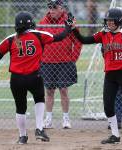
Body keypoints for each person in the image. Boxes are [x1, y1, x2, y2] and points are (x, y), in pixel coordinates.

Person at [0, 11, 73, 144]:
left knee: (20, 107)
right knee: (39, 99)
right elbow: (59, 37)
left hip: (16, 79)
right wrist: (68, 27)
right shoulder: (38, 35)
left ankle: (22, 136)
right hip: (34, 76)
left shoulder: (10, 39)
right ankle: (39, 128)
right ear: (31, 23)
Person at [72, 8, 122, 145]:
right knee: (108, 107)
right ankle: (115, 136)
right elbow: (84, 40)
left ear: (119, 21)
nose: (109, 23)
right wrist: (75, 29)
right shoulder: (103, 34)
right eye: (108, 21)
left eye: (112, 21)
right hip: (110, 75)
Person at [38, 0, 82, 129]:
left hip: (65, 62)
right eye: (50, 8)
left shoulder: (69, 22)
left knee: (64, 90)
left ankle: (66, 119)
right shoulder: (43, 23)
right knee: (49, 91)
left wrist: (73, 58)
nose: (52, 10)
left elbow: (78, 41)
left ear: (61, 8)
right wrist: (41, 58)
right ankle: (48, 119)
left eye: (54, 8)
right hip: (47, 62)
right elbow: (38, 42)